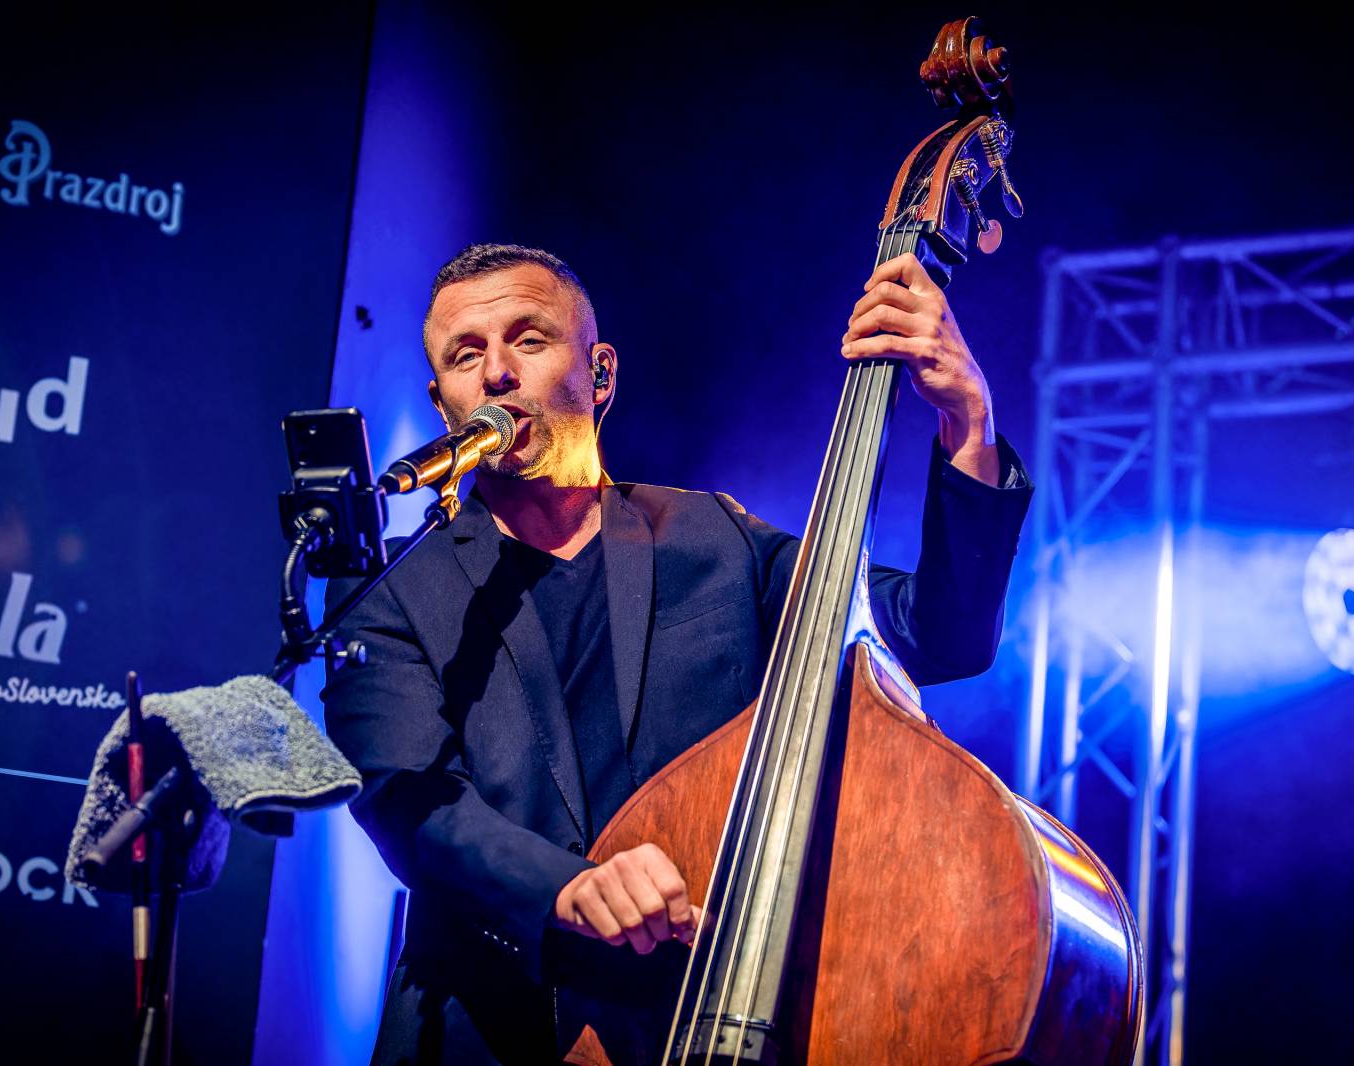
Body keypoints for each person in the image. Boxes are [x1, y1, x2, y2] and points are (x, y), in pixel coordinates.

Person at [322, 243, 1032, 1064]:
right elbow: (414, 808)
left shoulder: (712, 538)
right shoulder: (395, 595)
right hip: (488, 1030)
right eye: (466, 354)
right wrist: (569, 888)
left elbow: (937, 633)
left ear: (601, 373)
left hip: (694, 1020)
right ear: (441, 400)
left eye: (528, 338)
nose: (497, 374)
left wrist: (967, 421)